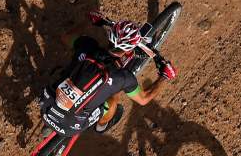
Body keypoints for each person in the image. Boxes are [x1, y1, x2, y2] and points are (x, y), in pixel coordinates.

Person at [39, 13, 177, 138]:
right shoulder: (122, 77)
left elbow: (65, 37)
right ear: (129, 49)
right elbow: (143, 99)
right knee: (112, 100)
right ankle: (101, 127)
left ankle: (53, 119)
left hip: (46, 104)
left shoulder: (87, 45)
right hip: (70, 127)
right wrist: (165, 76)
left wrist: (88, 21)